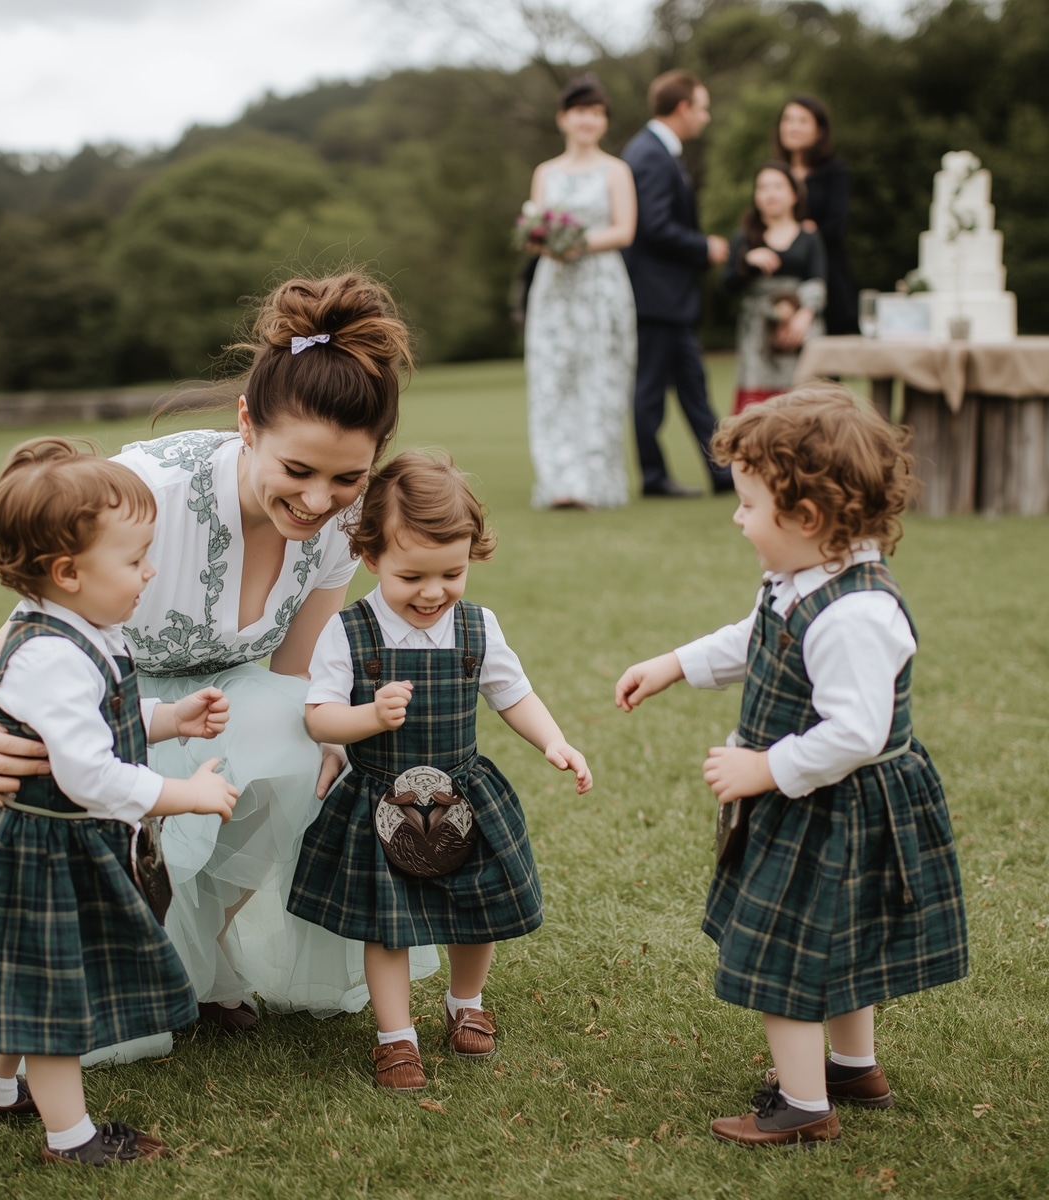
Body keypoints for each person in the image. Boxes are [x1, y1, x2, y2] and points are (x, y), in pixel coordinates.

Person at [0, 273, 441, 1062]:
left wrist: (333, 741)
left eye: (346, 478)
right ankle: (107, 977)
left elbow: (298, 676)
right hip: (98, 707)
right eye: (297, 470)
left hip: (217, 705)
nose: (319, 500)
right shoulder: (146, 491)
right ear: (247, 423)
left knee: (313, 750)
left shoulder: (344, 524)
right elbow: (25, 633)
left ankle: (203, 955)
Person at [615, 386, 968, 1146]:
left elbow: (857, 733)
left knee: (786, 955)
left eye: (747, 505)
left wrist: (763, 768)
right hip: (810, 799)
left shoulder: (856, 615)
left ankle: (804, 1106)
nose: (736, 519)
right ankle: (850, 1066)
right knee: (835, 941)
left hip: (838, 807)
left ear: (807, 519)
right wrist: (674, 663)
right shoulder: (801, 582)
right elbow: (756, 637)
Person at [0, 439, 239, 1166]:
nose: (149, 570)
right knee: (49, 998)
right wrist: (183, 794)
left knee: (25, 973)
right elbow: (89, 775)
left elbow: (106, 720)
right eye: (134, 561)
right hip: (39, 849)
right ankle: (72, 1140)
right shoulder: (49, 656)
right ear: (67, 573)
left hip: (50, 843)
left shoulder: (86, 631)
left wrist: (170, 717)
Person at [287, 451, 593, 1090]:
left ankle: (465, 1001)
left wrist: (554, 741)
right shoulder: (350, 633)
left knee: (475, 907)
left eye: (451, 573)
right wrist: (367, 716)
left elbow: (513, 694)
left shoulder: (478, 627)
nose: (432, 592)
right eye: (412, 576)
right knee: (387, 924)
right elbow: (319, 718)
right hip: (381, 803)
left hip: (462, 793)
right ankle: (395, 1036)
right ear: (371, 559)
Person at [523, 73, 637, 510]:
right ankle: (559, 484)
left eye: (596, 113)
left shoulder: (616, 170)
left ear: (604, 121)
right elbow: (536, 226)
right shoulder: (546, 172)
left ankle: (595, 482)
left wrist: (576, 244)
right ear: (563, 119)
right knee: (554, 381)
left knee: (600, 382)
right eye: (579, 112)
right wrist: (543, 241)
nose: (587, 120)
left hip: (600, 285)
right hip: (554, 287)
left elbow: (625, 229)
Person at [621, 69, 733, 498]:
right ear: (683, 107)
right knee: (651, 390)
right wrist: (704, 247)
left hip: (669, 299)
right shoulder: (650, 154)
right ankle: (654, 477)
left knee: (693, 387)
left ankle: (723, 472)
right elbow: (654, 225)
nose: (705, 117)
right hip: (656, 297)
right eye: (702, 107)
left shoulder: (658, 151)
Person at [723, 161, 827, 413]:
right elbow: (727, 285)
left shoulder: (809, 236)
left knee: (803, 409)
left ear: (793, 194)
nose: (770, 194)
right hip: (757, 338)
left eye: (777, 187)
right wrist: (746, 261)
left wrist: (804, 315)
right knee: (757, 415)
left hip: (800, 331)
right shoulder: (745, 238)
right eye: (762, 187)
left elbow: (818, 280)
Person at [773, 95, 859, 335]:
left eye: (802, 121)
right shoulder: (775, 172)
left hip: (826, 271)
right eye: (787, 120)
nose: (792, 127)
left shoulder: (833, 170)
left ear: (819, 131)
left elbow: (837, 224)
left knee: (835, 348)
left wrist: (802, 236)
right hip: (784, 275)